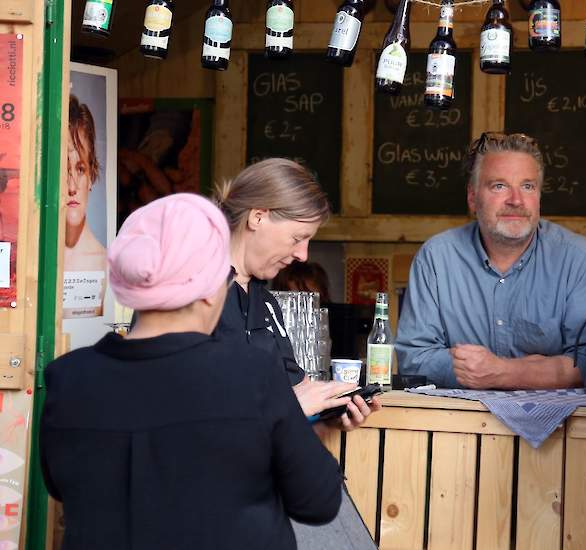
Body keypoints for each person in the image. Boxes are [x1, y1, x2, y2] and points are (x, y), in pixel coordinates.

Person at [41, 194, 344, 549]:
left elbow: (60, 486)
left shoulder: (68, 378)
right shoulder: (253, 376)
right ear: (209, 289)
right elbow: (318, 502)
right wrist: (299, 420)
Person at [395, 132, 586, 389]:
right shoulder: (436, 258)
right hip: (456, 424)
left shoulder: (580, 259)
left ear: (539, 196)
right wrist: (543, 368)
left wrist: (502, 372)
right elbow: (414, 358)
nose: (516, 200)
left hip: (559, 427)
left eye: (527, 186)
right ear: (472, 197)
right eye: (499, 186)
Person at [212, 158, 380, 426]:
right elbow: (183, 409)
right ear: (258, 217)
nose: (303, 255)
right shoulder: (193, 292)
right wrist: (289, 407)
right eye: (297, 238)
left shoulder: (265, 304)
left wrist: (327, 416)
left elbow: (297, 395)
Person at [63, 94, 107, 319]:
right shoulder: (30, 259)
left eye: (80, 169)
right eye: (63, 169)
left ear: (91, 175)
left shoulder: (107, 266)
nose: (71, 186)